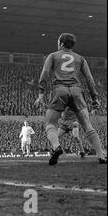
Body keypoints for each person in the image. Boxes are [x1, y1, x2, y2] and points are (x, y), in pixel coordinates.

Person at [34, 33, 106, 165]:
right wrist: (95, 98)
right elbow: (89, 79)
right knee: (87, 125)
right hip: (77, 91)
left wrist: (40, 95)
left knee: (50, 123)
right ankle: (101, 156)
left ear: (61, 43)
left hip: (59, 90)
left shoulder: (53, 55)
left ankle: (56, 147)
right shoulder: (80, 59)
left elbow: (45, 73)